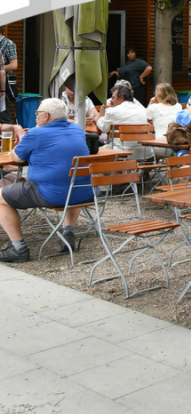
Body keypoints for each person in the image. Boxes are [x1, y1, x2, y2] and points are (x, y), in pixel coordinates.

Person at [0, 99, 94, 262]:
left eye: (38, 114)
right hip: (84, 192)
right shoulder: (77, 129)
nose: (36, 117)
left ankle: (19, 248)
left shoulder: (36, 133)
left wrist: (31, 134)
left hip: (52, 195)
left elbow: (16, 157)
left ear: (46, 115)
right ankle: (68, 232)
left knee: (1, 197)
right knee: (71, 180)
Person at [96, 84, 149, 158]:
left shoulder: (113, 111)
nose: (111, 100)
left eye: (113, 97)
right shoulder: (143, 110)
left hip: (122, 152)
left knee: (94, 151)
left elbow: (103, 128)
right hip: (144, 153)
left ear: (121, 98)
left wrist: (101, 111)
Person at [0, 25, 18, 124]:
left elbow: (14, 65)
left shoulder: (8, 44)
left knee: (3, 114)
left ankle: (9, 136)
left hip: (2, 83)